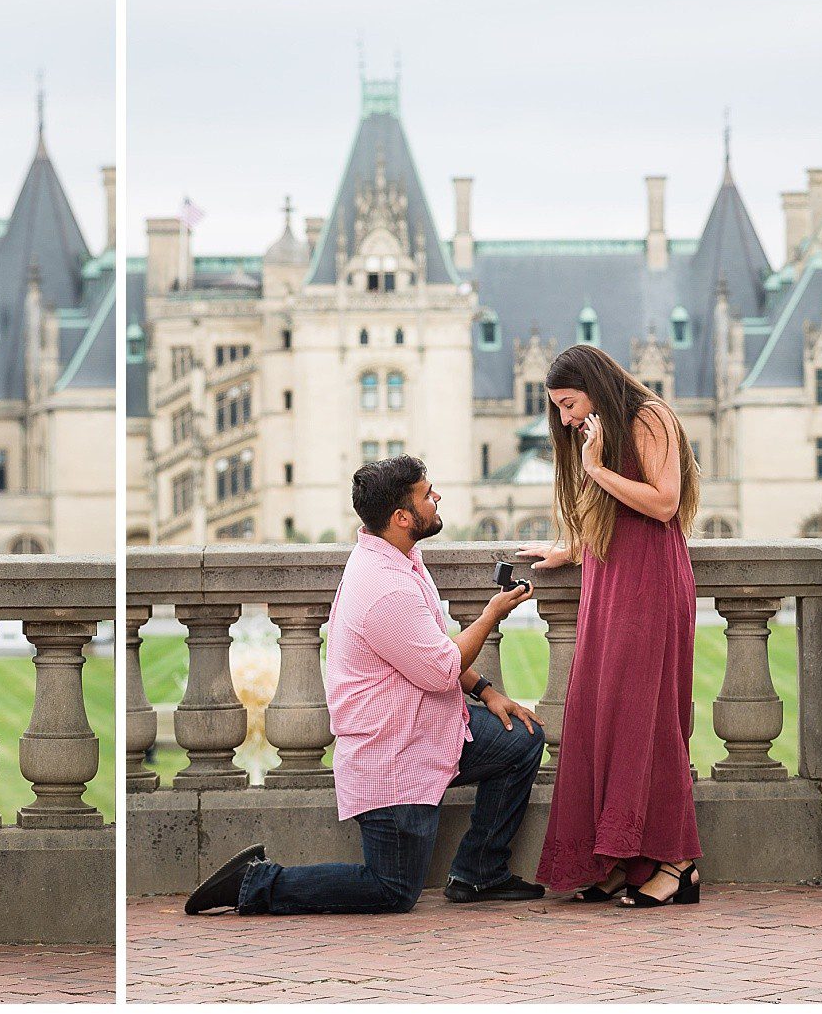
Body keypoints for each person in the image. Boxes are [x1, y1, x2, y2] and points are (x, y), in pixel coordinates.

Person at [185, 456, 545, 917]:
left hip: (431, 730)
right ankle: (256, 883)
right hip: (394, 753)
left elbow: (430, 649)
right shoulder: (385, 586)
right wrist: (492, 615)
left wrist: (488, 692)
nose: (436, 499)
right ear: (401, 517)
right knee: (391, 890)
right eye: (427, 494)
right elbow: (440, 667)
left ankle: (479, 872)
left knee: (522, 740)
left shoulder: (399, 558)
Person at [524, 344, 702, 908]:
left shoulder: (650, 418)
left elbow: (664, 503)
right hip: (609, 578)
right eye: (558, 408)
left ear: (595, 387)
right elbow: (614, 515)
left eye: (569, 404)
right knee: (602, 716)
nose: (566, 419)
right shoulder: (598, 427)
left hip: (649, 581)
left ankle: (677, 863)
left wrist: (596, 469)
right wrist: (572, 550)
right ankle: (620, 857)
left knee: (646, 717)